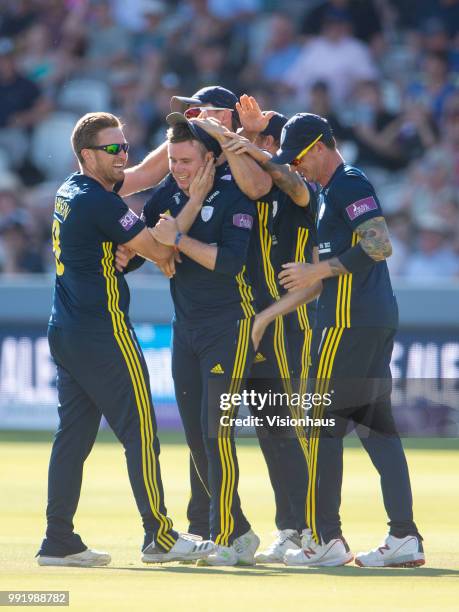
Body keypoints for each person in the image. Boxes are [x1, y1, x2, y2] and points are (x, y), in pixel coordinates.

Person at [36, 112, 214, 567]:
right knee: (141, 434)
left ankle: (58, 540)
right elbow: (161, 250)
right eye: (112, 150)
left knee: (72, 438)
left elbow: (137, 237)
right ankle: (160, 536)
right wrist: (192, 201)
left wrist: (133, 248)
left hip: (67, 330)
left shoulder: (70, 191)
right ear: (87, 155)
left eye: (125, 147)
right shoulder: (99, 202)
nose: (123, 157)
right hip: (104, 331)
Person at [264, 112, 424, 567]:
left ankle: (325, 538)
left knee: (318, 428)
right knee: (377, 431)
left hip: (348, 321)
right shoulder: (328, 192)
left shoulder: (349, 183)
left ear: (318, 147)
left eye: (297, 157)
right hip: (368, 319)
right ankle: (404, 536)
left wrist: (318, 270)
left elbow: (378, 244)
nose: (294, 166)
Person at [135, 114, 260, 566]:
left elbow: (227, 264)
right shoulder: (164, 196)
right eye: (172, 159)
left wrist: (180, 240)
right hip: (184, 329)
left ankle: (226, 533)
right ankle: (241, 530)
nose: (178, 168)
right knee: (193, 437)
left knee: (217, 434)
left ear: (210, 158)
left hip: (229, 326)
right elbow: (158, 250)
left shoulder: (237, 196)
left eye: (187, 160)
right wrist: (172, 244)